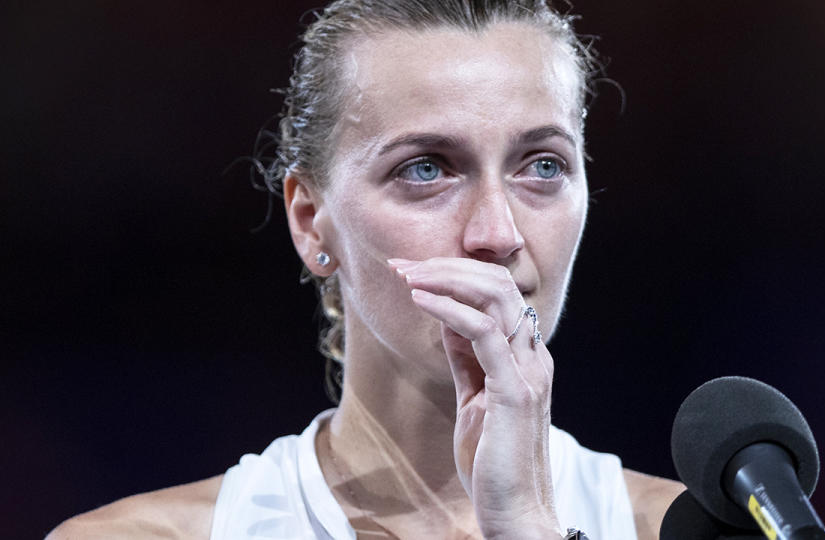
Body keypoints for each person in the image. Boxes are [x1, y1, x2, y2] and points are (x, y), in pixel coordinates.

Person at [48, 1, 683, 538]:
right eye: (426, 167)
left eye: (542, 165)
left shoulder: (687, 526)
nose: (496, 235)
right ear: (309, 219)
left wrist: (526, 523)